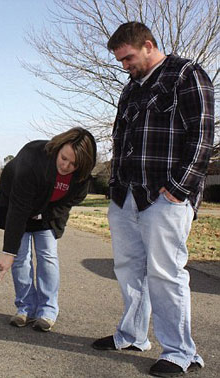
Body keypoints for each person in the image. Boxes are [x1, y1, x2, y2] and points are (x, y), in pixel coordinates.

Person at [92, 22, 215, 377]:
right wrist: (114, 186)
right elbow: (121, 140)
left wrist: (181, 187)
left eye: (128, 57)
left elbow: (202, 135)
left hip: (165, 197)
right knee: (129, 269)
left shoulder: (186, 75)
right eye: (120, 61)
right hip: (125, 195)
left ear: (148, 45)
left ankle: (179, 352)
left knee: (165, 274)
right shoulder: (131, 89)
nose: (124, 66)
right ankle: (132, 335)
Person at [0, 127, 96, 332]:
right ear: (58, 148)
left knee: (48, 255)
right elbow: (19, 207)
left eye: (73, 163)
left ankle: (47, 311)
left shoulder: (81, 176)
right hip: (18, 205)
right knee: (20, 256)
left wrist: (46, 215)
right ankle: (26, 308)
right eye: (64, 158)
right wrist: (8, 252)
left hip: (47, 214)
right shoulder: (33, 158)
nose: (66, 166)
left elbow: (71, 200)